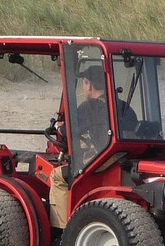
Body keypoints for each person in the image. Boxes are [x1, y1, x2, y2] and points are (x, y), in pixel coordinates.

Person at [46, 65, 136, 228]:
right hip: (122, 158)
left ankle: (62, 229)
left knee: (57, 176)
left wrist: (60, 127)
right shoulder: (124, 107)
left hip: (101, 162)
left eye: (83, 83)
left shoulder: (89, 107)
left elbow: (69, 131)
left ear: (88, 84)